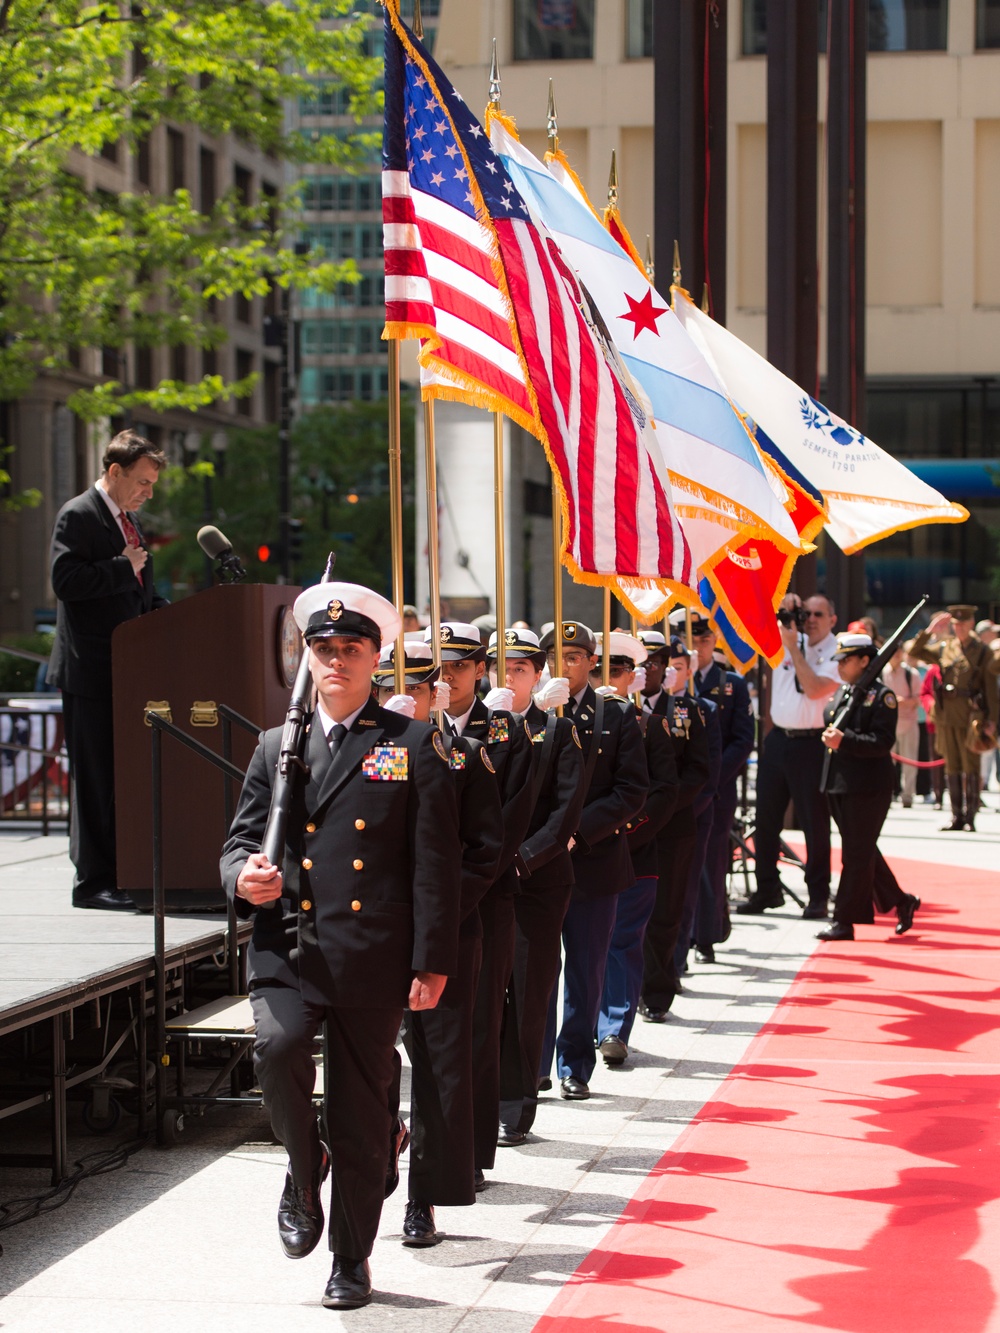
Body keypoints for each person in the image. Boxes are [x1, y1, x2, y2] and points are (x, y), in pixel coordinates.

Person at [220, 583, 462, 1310]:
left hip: (372, 950)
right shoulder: (276, 744)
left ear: (375, 658)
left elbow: (434, 863)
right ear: (308, 657)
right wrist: (244, 876)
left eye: (350, 649)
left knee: (361, 1109)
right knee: (279, 1047)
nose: (335, 660)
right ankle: (304, 1162)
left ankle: (350, 1258)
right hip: (288, 946)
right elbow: (237, 842)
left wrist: (433, 959)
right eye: (323, 649)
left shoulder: (410, 743)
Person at [374, 643, 503, 1248]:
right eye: (389, 692)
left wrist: (440, 913)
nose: (407, 700)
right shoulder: (363, 754)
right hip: (372, 930)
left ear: (436, 694)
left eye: (421, 689)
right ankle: (369, 1154)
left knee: (439, 1068)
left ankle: (422, 1197)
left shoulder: (465, 756)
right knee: (367, 1061)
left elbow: (483, 850)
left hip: (448, 930)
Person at [426, 621, 534, 1185]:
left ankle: (471, 1152)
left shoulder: (506, 731)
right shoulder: (413, 726)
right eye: (439, 665)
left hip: (484, 896)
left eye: (460, 665)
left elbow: (509, 818)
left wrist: (467, 888)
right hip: (425, 903)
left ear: (480, 670)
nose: (448, 676)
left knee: (480, 1026)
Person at [48, 429, 168, 911]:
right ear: (114, 472)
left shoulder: (129, 523)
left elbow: (139, 589)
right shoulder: (79, 514)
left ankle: (122, 873)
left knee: (119, 780)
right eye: (141, 482)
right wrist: (122, 567)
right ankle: (92, 883)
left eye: (152, 484)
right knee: (95, 781)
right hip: (90, 672)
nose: (148, 493)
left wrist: (167, 612)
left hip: (126, 672)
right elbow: (65, 581)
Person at [537, 620, 647, 1100]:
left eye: (574, 657)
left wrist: (578, 830)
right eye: (555, 656)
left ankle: (574, 1065)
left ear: (590, 662)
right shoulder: (526, 713)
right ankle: (533, 1062)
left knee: (585, 968)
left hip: (593, 857)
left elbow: (632, 790)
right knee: (535, 969)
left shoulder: (615, 715)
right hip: (538, 860)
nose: (564, 666)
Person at [486, 627, 585, 1142]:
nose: (509, 678)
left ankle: (516, 1102)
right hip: (482, 880)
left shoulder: (556, 731)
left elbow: (564, 813)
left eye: (520, 669)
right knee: (482, 994)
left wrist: (520, 859)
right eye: (500, 667)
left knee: (526, 994)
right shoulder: (472, 730)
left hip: (534, 880)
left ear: (538, 675)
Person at [595, 631, 679, 1065]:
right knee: (587, 945)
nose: (603, 678)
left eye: (613, 670)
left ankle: (613, 1028)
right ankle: (583, 1027)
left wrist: (625, 831)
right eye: (596, 670)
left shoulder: (649, 725)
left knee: (622, 941)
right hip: (583, 850)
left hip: (633, 848)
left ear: (633, 675)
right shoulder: (571, 721)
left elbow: (664, 791)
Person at [738, 592, 840, 919]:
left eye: (817, 614)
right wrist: (781, 605)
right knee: (765, 821)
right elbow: (755, 620)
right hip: (778, 739)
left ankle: (818, 895)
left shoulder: (835, 650)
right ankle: (767, 890)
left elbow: (815, 690)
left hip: (811, 743)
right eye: (804, 613)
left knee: (814, 823)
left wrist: (795, 648)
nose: (809, 619)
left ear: (832, 620)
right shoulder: (784, 639)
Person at [817, 633, 920, 942]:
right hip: (839, 783)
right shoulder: (845, 692)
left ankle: (844, 921)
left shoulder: (881, 696)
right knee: (862, 851)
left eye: (846, 660)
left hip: (868, 787)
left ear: (865, 660)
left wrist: (844, 741)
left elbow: (882, 741)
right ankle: (902, 901)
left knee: (857, 855)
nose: (840, 666)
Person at [639, 638, 711, 1019]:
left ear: (667, 668)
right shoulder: (620, 710)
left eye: (655, 662)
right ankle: (626, 986)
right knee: (628, 914)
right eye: (642, 661)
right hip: (628, 825)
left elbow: (699, 769)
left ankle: (657, 991)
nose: (647, 668)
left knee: (666, 912)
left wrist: (662, 808)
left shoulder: (686, 710)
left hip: (672, 825)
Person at [689, 615, 755, 960]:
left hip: (716, 789)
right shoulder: (677, 683)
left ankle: (706, 935)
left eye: (703, 640)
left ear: (713, 642)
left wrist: (712, 776)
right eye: (691, 640)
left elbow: (743, 740)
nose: (698, 647)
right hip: (682, 791)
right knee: (684, 861)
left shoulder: (732, 684)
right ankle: (684, 931)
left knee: (712, 860)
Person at [909, 605, 999, 831]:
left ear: (971, 624)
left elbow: (990, 689)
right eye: (955, 624)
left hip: (971, 717)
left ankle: (970, 817)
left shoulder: (982, 651)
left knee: (971, 766)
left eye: (963, 624)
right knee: (952, 766)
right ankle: (956, 815)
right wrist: (930, 630)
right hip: (946, 714)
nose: (959, 628)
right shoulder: (944, 647)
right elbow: (916, 652)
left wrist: (993, 721)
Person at [882, 644, 921, 807]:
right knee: (887, 762)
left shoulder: (911, 674)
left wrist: (903, 702)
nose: (896, 655)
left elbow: (918, 699)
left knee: (909, 762)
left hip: (908, 722)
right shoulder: (882, 673)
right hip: (888, 724)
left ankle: (907, 796)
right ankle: (887, 792)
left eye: (899, 651)